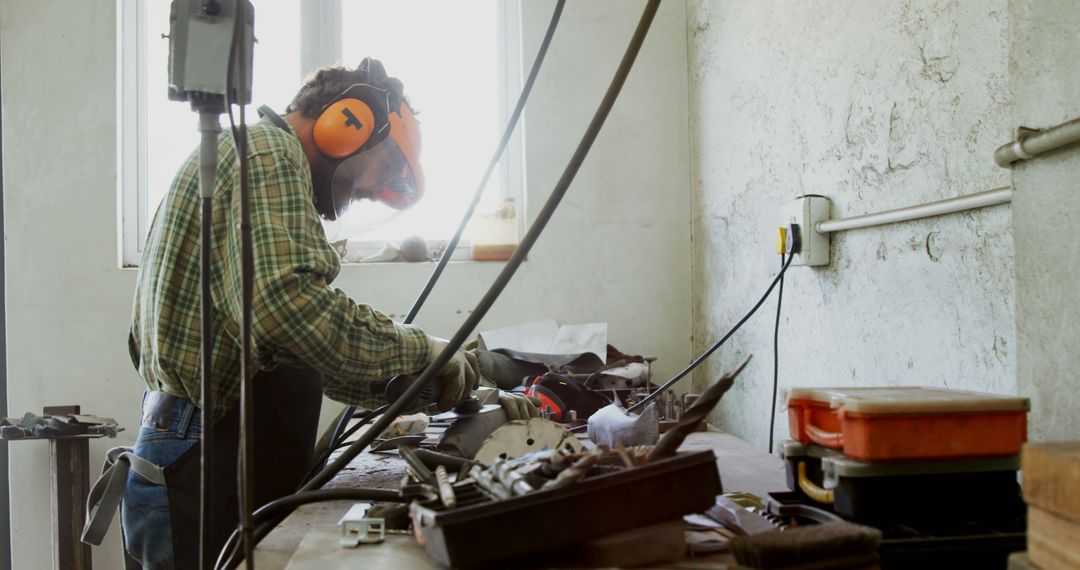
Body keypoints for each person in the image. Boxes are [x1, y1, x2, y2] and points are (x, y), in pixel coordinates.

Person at [113, 58, 535, 569]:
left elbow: (285, 338)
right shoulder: (268, 154)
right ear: (349, 122)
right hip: (201, 454)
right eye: (389, 168)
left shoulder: (250, 153)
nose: (369, 192)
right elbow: (287, 310)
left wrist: (406, 380)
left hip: (197, 442)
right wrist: (425, 352)